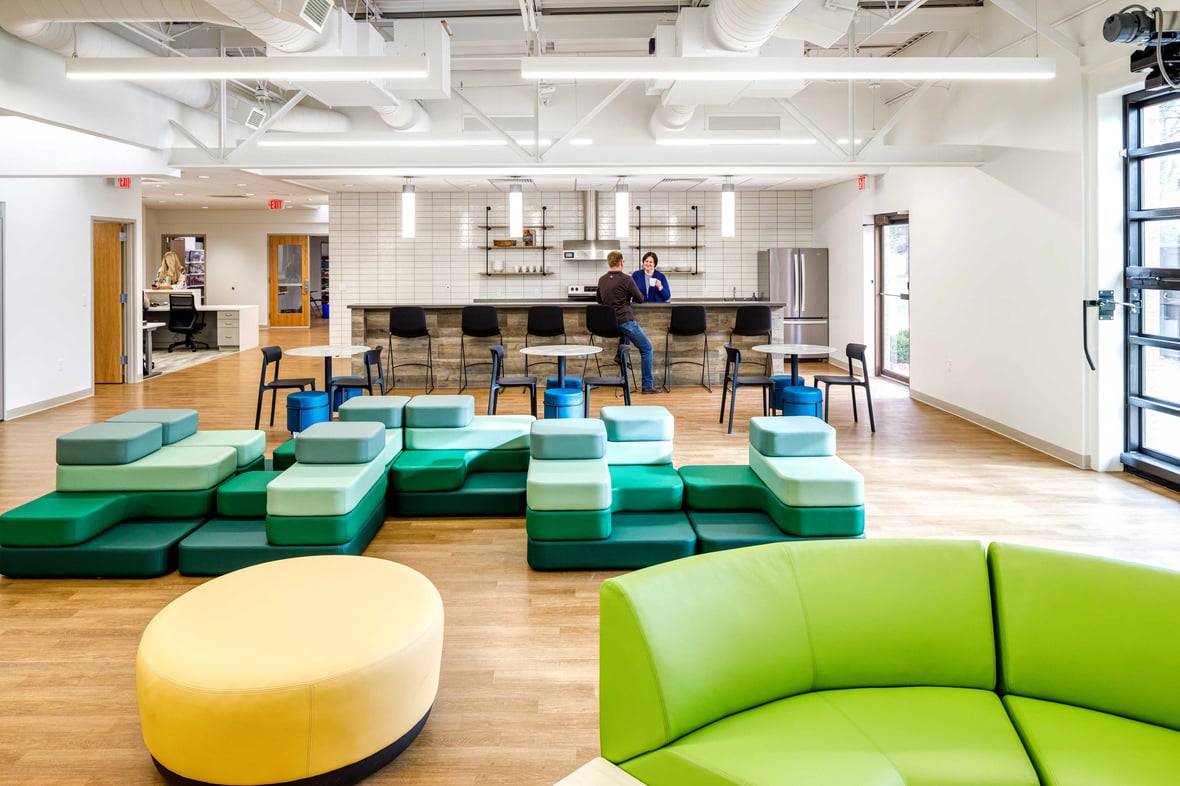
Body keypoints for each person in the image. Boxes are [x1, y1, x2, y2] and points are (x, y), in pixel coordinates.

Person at [597, 250, 658, 394]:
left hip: (609, 325)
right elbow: (640, 299)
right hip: (625, 321)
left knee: (626, 334)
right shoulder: (627, 279)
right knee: (647, 349)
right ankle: (647, 386)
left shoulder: (602, 279)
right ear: (621, 262)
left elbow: (599, 300)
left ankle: (620, 355)